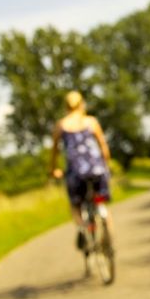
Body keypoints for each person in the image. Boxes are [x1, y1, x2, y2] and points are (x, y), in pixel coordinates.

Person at [50, 91, 112, 250]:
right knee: (100, 200)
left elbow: (55, 152)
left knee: (75, 205)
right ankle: (108, 237)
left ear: (66, 107)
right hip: (97, 169)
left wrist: (53, 169)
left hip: (76, 172)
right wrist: (106, 165)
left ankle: (83, 227)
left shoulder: (62, 125)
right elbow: (103, 147)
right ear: (81, 104)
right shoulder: (91, 122)